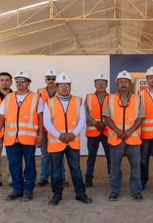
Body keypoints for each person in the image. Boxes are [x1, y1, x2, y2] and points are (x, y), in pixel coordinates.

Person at [43, 72, 92, 206]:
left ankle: (80, 194)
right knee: (56, 171)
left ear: (70, 87)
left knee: (76, 169)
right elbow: (47, 122)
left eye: (67, 85)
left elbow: (82, 120)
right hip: (56, 142)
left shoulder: (78, 101)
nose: (64, 88)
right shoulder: (49, 102)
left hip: (73, 141)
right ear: (57, 87)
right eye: (62, 85)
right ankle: (56, 195)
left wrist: (73, 134)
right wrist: (59, 135)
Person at [0, 70, 44, 202]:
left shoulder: (36, 97)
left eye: (23, 81)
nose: (20, 83)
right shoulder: (8, 98)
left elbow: (41, 118)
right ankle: (17, 189)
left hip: (29, 138)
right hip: (11, 138)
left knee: (30, 165)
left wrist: (41, 136)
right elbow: (0, 118)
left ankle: (28, 189)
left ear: (29, 83)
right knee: (14, 164)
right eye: (17, 81)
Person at [103, 70, 145, 202]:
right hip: (116, 138)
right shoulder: (109, 98)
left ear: (130, 83)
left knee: (135, 167)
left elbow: (141, 117)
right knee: (115, 166)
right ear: (117, 83)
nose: (123, 84)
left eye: (125, 81)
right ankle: (115, 191)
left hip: (133, 139)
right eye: (120, 81)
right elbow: (107, 117)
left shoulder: (137, 98)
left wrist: (130, 130)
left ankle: (136, 191)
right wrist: (117, 131)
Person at [36, 69, 69, 188]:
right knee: (45, 154)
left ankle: (62, 177)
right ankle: (44, 177)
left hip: (58, 129)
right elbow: (38, 111)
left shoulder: (62, 91)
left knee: (60, 154)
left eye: (53, 78)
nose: (51, 81)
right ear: (45, 79)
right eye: (48, 78)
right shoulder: (39, 92)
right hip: (45, 129)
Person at [84, 73, 111, 187]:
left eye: (103, 82)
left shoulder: (112, 98)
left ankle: (112, 178)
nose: (101, 84)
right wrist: (95, 123)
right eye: (98, 82)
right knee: (91, 157)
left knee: (110, 157)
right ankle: (88, 179)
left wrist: (104, 123)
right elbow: (85, 114)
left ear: (107, 85)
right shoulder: (89, 97)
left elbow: (114, 114)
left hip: (107, 131)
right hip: (93, 131)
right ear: (94, 84)